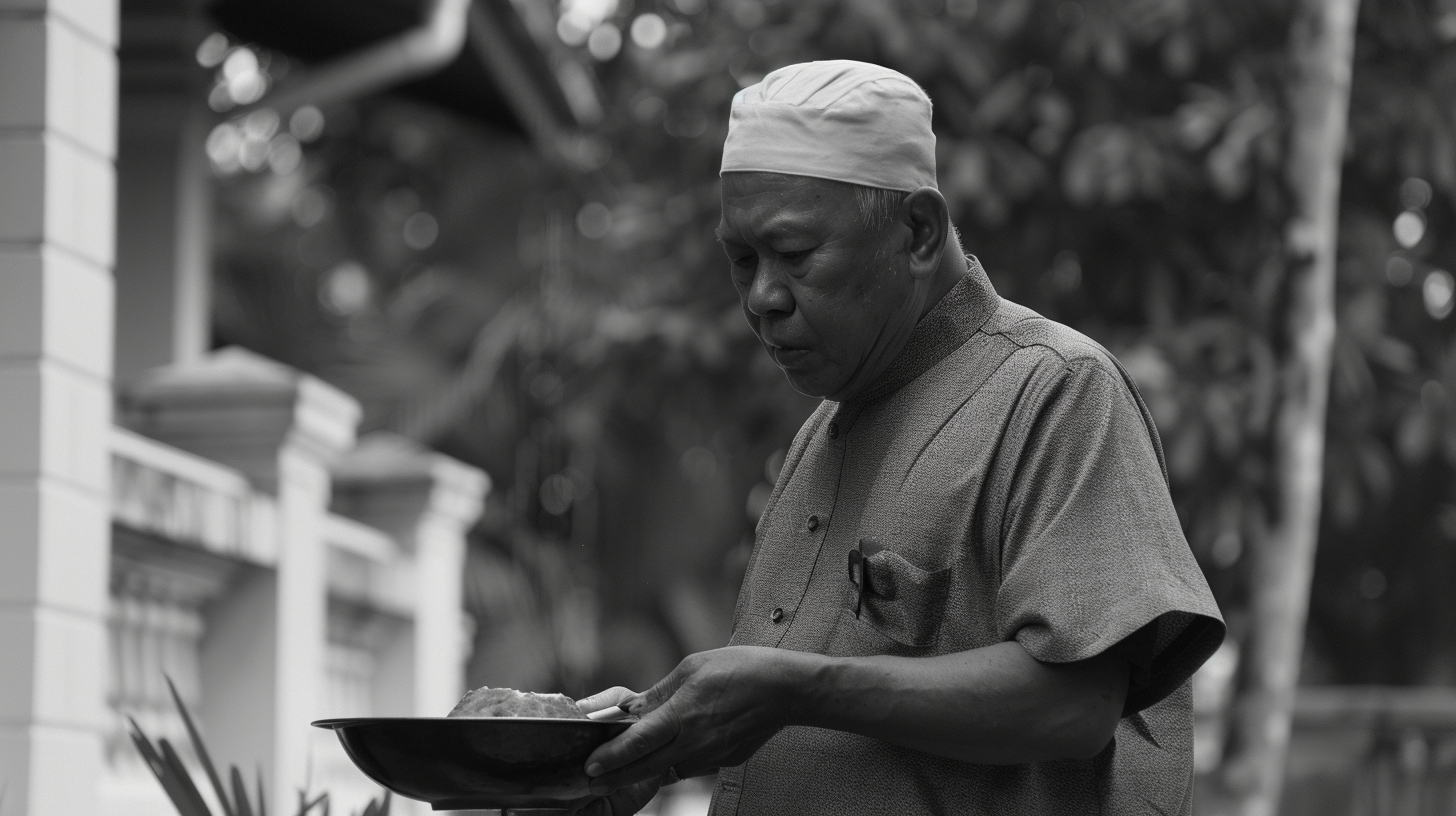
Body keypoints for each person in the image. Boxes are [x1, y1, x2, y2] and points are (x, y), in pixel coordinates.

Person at [571, 60, 1225, 816]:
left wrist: (792, 687)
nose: (762, 298)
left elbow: (1075, 704)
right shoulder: (824, 431)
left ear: (918, 231)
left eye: (794, 254)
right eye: (742, 260)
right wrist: (653, 745)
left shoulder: (1056, 390)